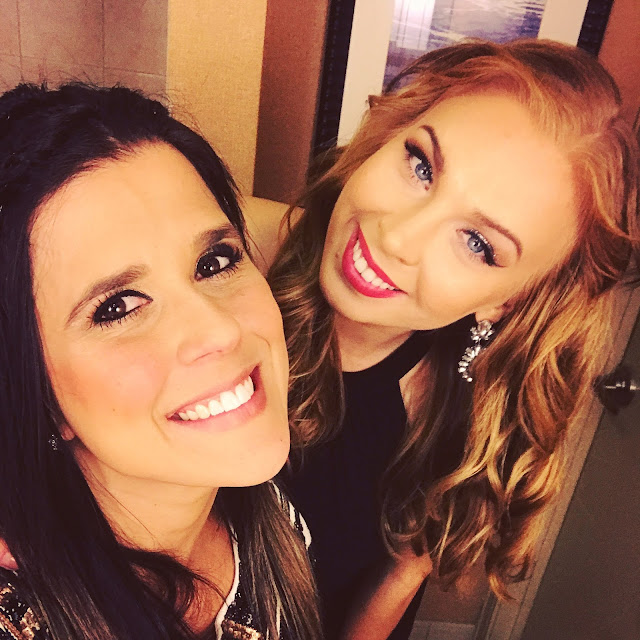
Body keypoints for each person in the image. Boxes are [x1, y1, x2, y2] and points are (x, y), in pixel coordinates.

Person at [247, 39, 640, 639]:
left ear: (507, 300)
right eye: (421, 166)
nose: (398, 238)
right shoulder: (226, 259)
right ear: (390, 135)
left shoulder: (457, 424)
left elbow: (391, 587)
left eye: (478, 244)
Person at [0, 83, 321, 640]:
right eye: (118, 307)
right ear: (35, 394)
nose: (220, 329)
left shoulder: (273, 523)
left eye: (215, 261)